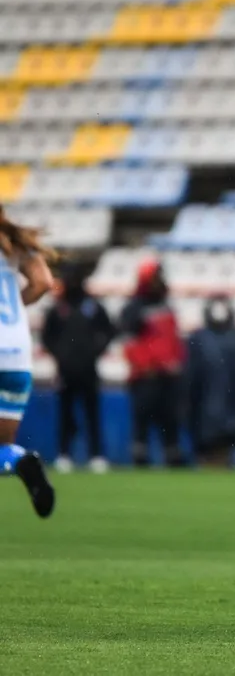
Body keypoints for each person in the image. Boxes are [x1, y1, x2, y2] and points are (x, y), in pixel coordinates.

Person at [0, 206, 56, 517]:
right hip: (17, 354)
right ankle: (20, 462)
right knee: (2, 447)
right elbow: (43, 282)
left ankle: (20, 462)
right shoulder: (15, 241)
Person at [41, 260, 116, 473]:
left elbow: (109, 331)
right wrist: (60, 355)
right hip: (66, 370)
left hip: (88, 368)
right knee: (65, 414)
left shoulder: (92, 306)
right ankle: (64, 454)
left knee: (92, 413)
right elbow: (48, 337)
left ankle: (96, 455)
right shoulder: (58, 308)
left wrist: (95, 351)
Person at [120, 259, 186, 467]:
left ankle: (172, 458)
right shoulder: (133, 309)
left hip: (168, 375)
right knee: (142, 422)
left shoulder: (166, 306)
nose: (160, 281)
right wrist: (143, 365)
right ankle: (141, 459)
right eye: (156, 276)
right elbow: (129, 343)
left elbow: (173, 339)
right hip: (145, 376)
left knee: (170, 421)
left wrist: (177, 362)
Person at [183, 295, 235, 468]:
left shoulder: (201, 339)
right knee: (218, 455)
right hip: (221, 414)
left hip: (211, 415)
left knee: (215, 455)